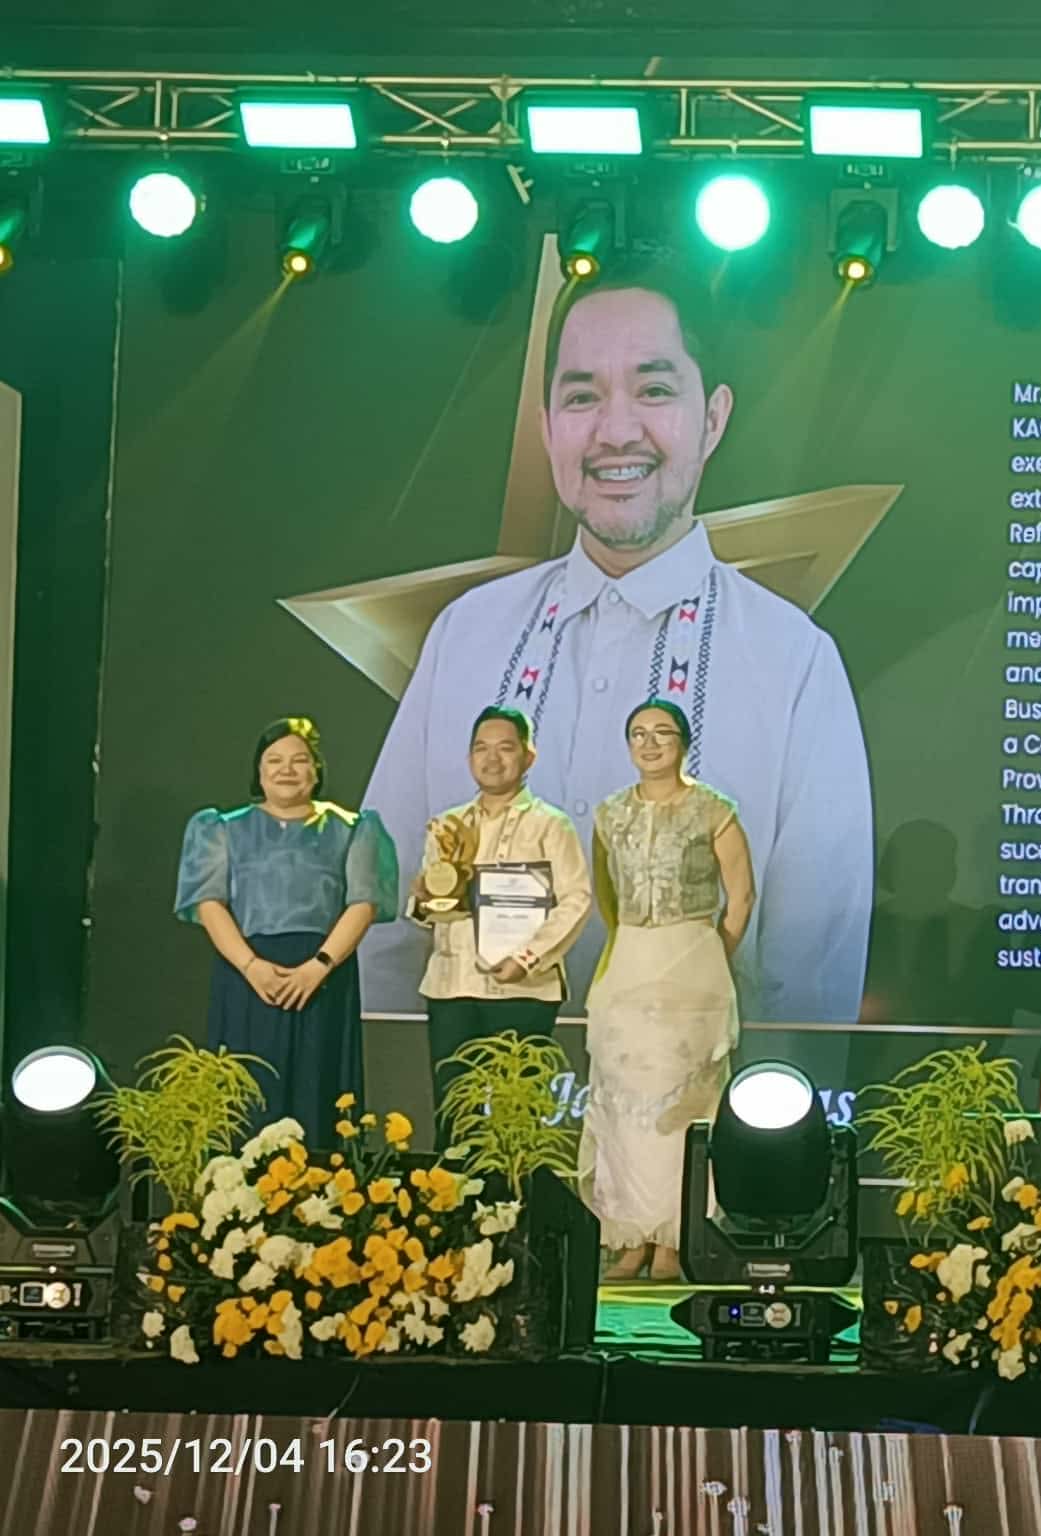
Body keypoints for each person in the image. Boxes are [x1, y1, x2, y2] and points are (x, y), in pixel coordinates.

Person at [359, 263, 870, 1028]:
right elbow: (387, 918)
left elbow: (812, 967)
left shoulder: (790, 660)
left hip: (694, 1120)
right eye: (582, 396)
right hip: (468, 1121)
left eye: (655, 390)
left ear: (714, 418)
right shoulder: (467, 635)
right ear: (547, 428)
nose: (616, 431)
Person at [579, 699, 755, 1283]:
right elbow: (605, 894)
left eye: (662, 733)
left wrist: (708, 958)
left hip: (692, 963)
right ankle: (629, 1235)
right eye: (638, 734)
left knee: (683, 1106)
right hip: (628, 960)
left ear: (684, 741)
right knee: (624, 1103)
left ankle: (677, 1238)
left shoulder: (713, 810)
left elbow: (741, 896)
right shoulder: (608, 814)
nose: (649, 744)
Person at [175, 717, 399, 1131]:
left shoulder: (353, 828)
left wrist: (319, 965)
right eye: (274, 760)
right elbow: (210, 903)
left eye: (299, 760)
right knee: (247, 1095)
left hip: (322, 975)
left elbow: (363, 903)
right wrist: (251, 966)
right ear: (258, 771)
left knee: (320, 1092)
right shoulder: (221, 828)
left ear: (317, 770)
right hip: (247, 975)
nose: (286, 769)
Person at [413, 706, 592, 1128]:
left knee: (516, 1114)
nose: (492, 759)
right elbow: (437, 907)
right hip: (452, 986)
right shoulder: (447, 825)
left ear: (529, 756)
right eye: (481, 748)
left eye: (505, 748)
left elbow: (577, 898)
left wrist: (527, 958)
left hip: (524, 989)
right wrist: (423, 900)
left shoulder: (550, 824)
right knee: (454, 1112)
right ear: (469, 757)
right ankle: (454, 1194)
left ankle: (513, 1197)